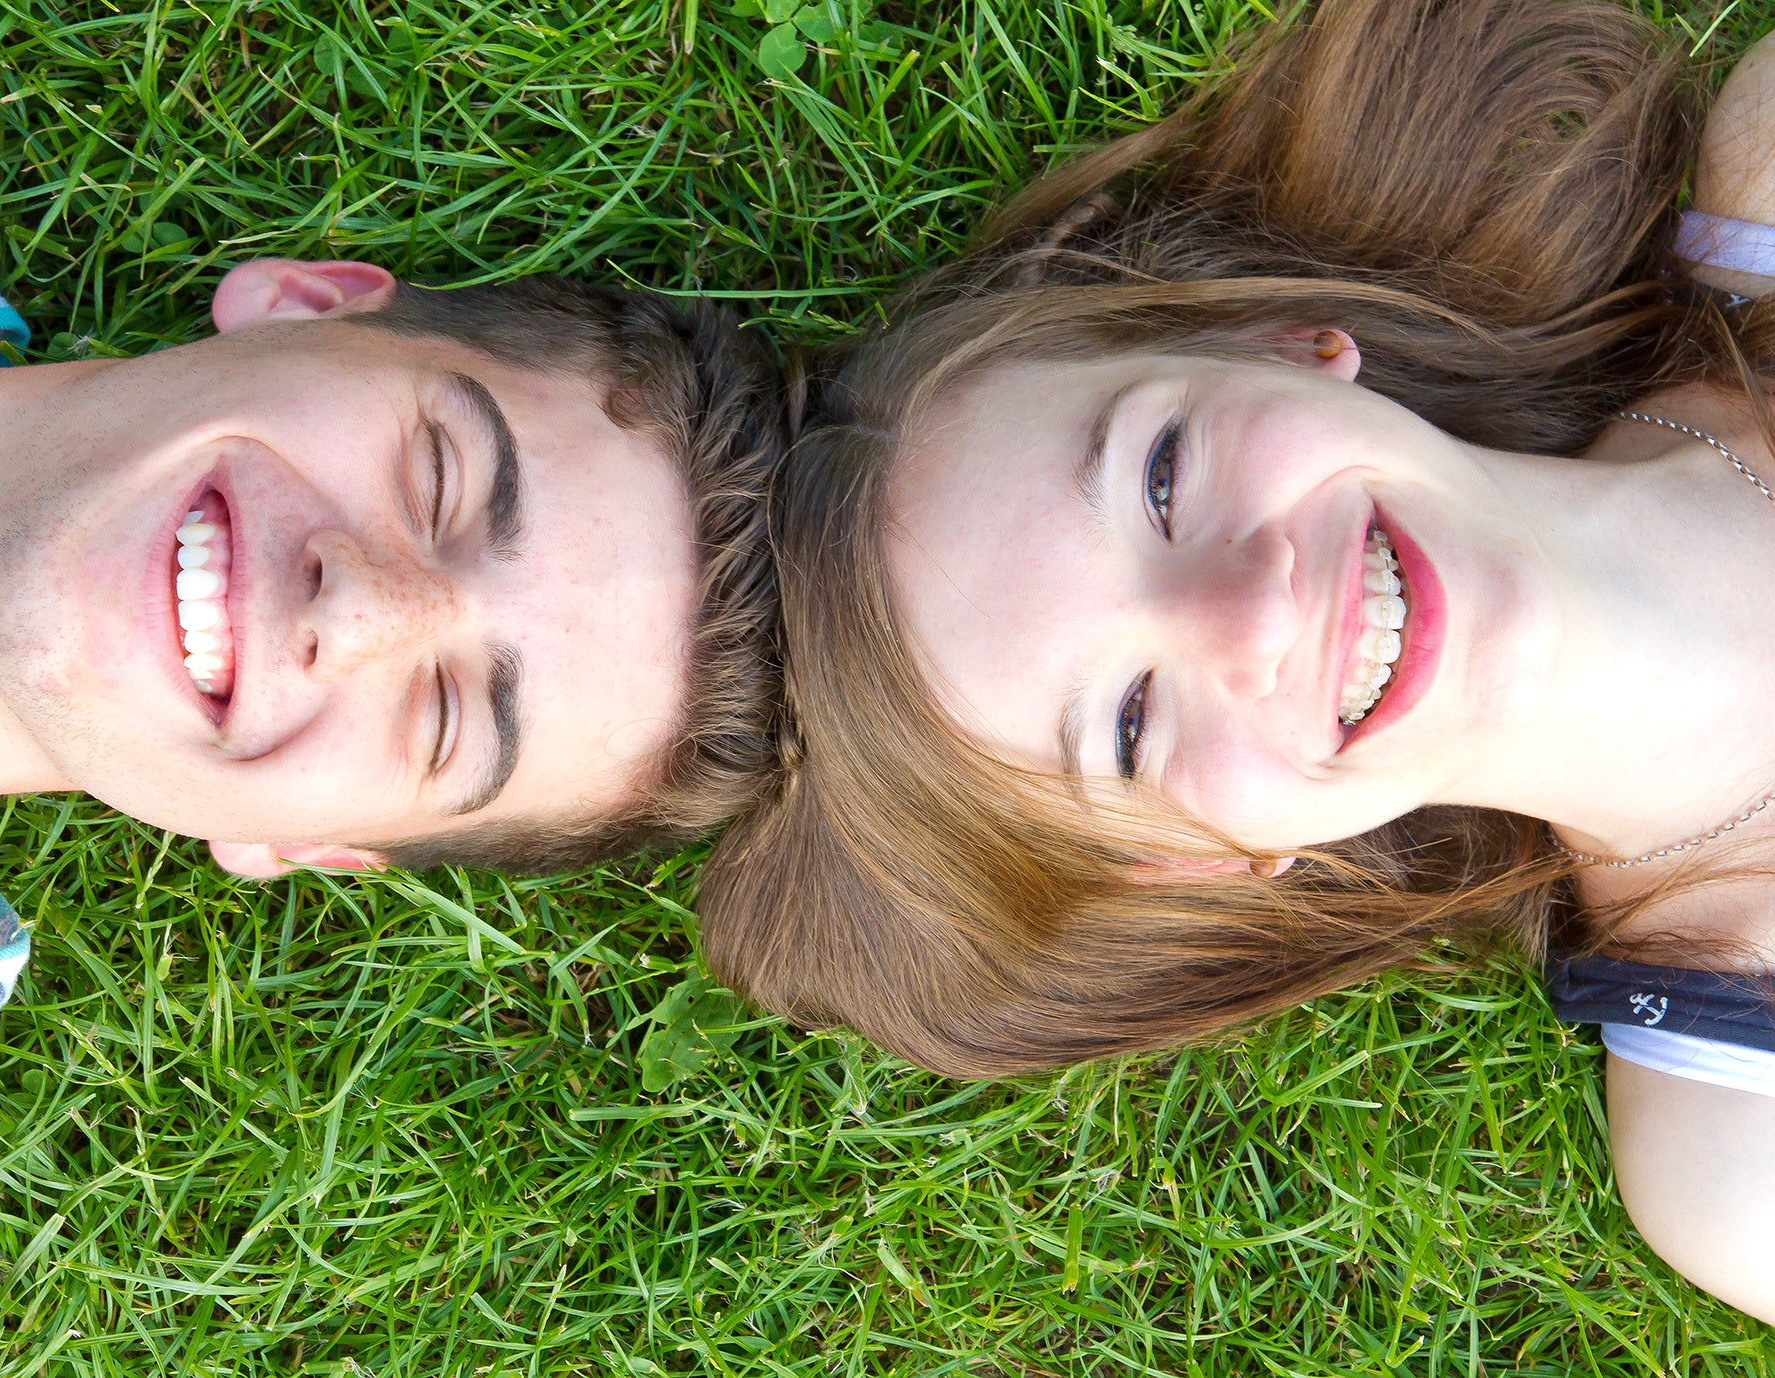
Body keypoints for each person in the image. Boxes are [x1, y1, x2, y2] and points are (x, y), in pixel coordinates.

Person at [0, 0, 783, 1350]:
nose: (362, 608)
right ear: (300, 305)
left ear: (308, 840)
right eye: (441, 473)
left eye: (448, 716)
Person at [701, 0, 1775, 1324]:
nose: (1253, 614)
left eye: (1161, 474)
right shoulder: (1739, 1155)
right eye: (1131, 724)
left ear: (1277, 337)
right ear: (1209, 854)